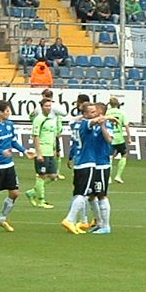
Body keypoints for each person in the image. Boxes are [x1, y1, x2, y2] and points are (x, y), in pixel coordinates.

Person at [61, 101, 114, 235]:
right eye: (92, 111)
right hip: (89, 163)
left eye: (96, 111)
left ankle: (105, 226)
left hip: (101, 164)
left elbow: (109, 140)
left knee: (101, 195)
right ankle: (98, 222)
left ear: (100, 112)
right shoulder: (88, 123)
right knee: (90, 195)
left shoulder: (105, 124)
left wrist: (103, 124)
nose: (94, 113)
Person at [0, 99, 34, 233]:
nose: (9, 112)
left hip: (9, 165)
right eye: (7, 110)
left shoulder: (10, 125)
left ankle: (2, 218)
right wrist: (2, 152)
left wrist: (24, 151)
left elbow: (13, 141)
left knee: (15, 192)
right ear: (0, 113)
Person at [26, 95, 62, 210]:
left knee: (53, 176)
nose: (48, 108)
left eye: (50, 106)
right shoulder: (38, 119)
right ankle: (41, 200)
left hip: (50, 152)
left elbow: (53, 136)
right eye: (46, 106)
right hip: (42, 151)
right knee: (41, 176)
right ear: (41, 107)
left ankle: (33, 192)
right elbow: (36, 136)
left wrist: (55, 149)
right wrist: (39, 153)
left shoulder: (51, 120)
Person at [107, 95, 130, 186]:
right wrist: (129, 137)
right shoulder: (122, 113)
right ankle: (118, 176)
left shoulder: (107, 112)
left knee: (109, 157)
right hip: (119, 138)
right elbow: (126, 126)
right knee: (124, 154)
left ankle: (108, 177)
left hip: (109, 137)